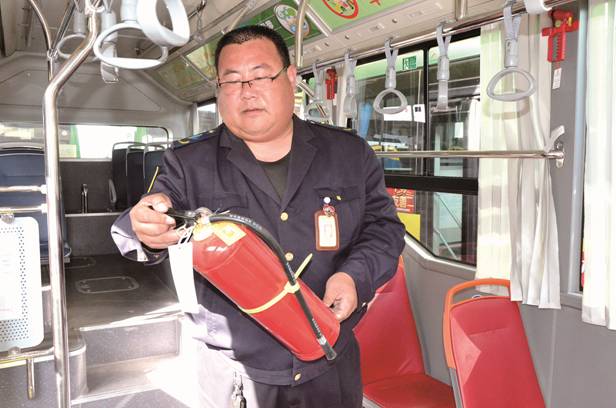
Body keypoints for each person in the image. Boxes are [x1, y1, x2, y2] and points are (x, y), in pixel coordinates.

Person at [111, 25, 405, 408]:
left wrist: (354, 277)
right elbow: (140, 223)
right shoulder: (188, 162)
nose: (246, 91)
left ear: (290, 78)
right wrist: (146, 229)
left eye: (260, 76)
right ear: (219, 90)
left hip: (329, 363)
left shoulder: (349, 153)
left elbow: (384, 229)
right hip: (235, 373)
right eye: (232, 80)